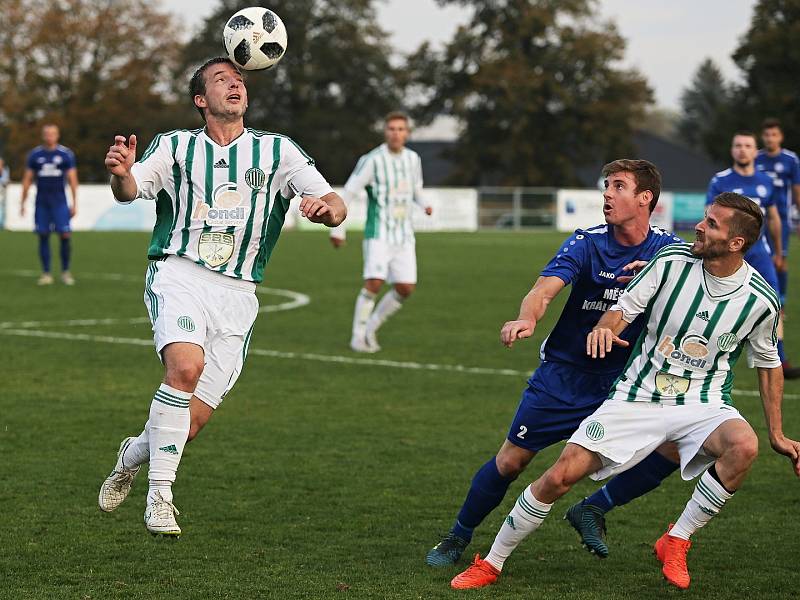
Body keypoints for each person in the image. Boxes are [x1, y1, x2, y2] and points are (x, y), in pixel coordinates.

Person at [451, 192, 800, 591]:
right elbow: (624, 308)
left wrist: (777, 433)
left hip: (702, 403)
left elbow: (769, 364)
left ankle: (676, 539)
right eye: (704, 218)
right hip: (637, 395)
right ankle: (491, 562)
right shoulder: (670, 263)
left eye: (712, 224)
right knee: (559, 476)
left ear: (736, 243)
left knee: (744, 445)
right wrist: (605, 328)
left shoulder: (761, 300)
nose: (700, 227)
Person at [97, 57, 346, 537]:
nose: (234, 83)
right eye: (220, 79)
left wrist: (325, 211)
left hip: (238, 294)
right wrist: (121, 173)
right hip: (179, 275)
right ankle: (160, 497)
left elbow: (335, 204)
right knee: (184, 369)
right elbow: (130, 190)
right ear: (200, 100)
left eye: (239, 79)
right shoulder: (175, 147)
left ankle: (132, 454)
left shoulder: (277, 152)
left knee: (187, 426)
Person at [426, 159, 683, 567]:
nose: (607, 194)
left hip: (624, 383)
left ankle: (594, 507)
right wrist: (527, 317)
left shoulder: (668, 250)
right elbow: (544, 290)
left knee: (678, 444)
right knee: (512, 460)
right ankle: (458, 535)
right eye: (606, 185)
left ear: (645, 198)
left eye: (619, 186)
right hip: (564, 376)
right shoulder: (587, 242)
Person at [330, 112, 432, 353]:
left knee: (405, 288)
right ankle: (357, 337)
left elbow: (416, 189)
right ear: (385, 132)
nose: (396, 133)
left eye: (400, 129)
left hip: (405, 235)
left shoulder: (413, 159)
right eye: (391, 129)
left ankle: (371, 327)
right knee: (374, 282)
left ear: (407, 133)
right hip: (379, 234)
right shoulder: (372, 160)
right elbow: (350, 192)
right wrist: (338, 229)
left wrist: (423, 203)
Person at [706, 131, 799, 378]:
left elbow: (775, 219)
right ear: (732, 150)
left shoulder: (766, 181)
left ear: (754, 149)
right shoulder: (720, 180)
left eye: (747, 145)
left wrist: (780, 252)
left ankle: (779, 359)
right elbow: (709, 218)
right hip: (729, 252)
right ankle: (709, 354)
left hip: (760, 252)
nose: (742, 150)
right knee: (717, 301)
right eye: (738, 145)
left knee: (774, 303)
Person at [19, 124, 79, 285]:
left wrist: (74, 203)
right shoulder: (35, 155)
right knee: (43, 235)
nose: (49, 136)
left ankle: (65, 272)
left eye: (52, 133)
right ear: (43, 135)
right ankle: (46, 273)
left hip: (60, 203)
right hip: (42, 203)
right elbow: (27, 179)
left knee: (65, 236)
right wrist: (22, 202)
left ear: (57, 135)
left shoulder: (66, 155)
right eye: (46, 133)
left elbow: (73, 179)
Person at [756, 118, 800, 305]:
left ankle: (780, 302)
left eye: (774, 135)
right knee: (756, 258)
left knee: (780, 260)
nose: (770, 138)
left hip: (781, 218)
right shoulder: (756, 157)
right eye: (767, 135)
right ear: (762, 137)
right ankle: (758, 300)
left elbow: (797, 190)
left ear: (780, 137)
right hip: (757, 219)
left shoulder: (790, 160)